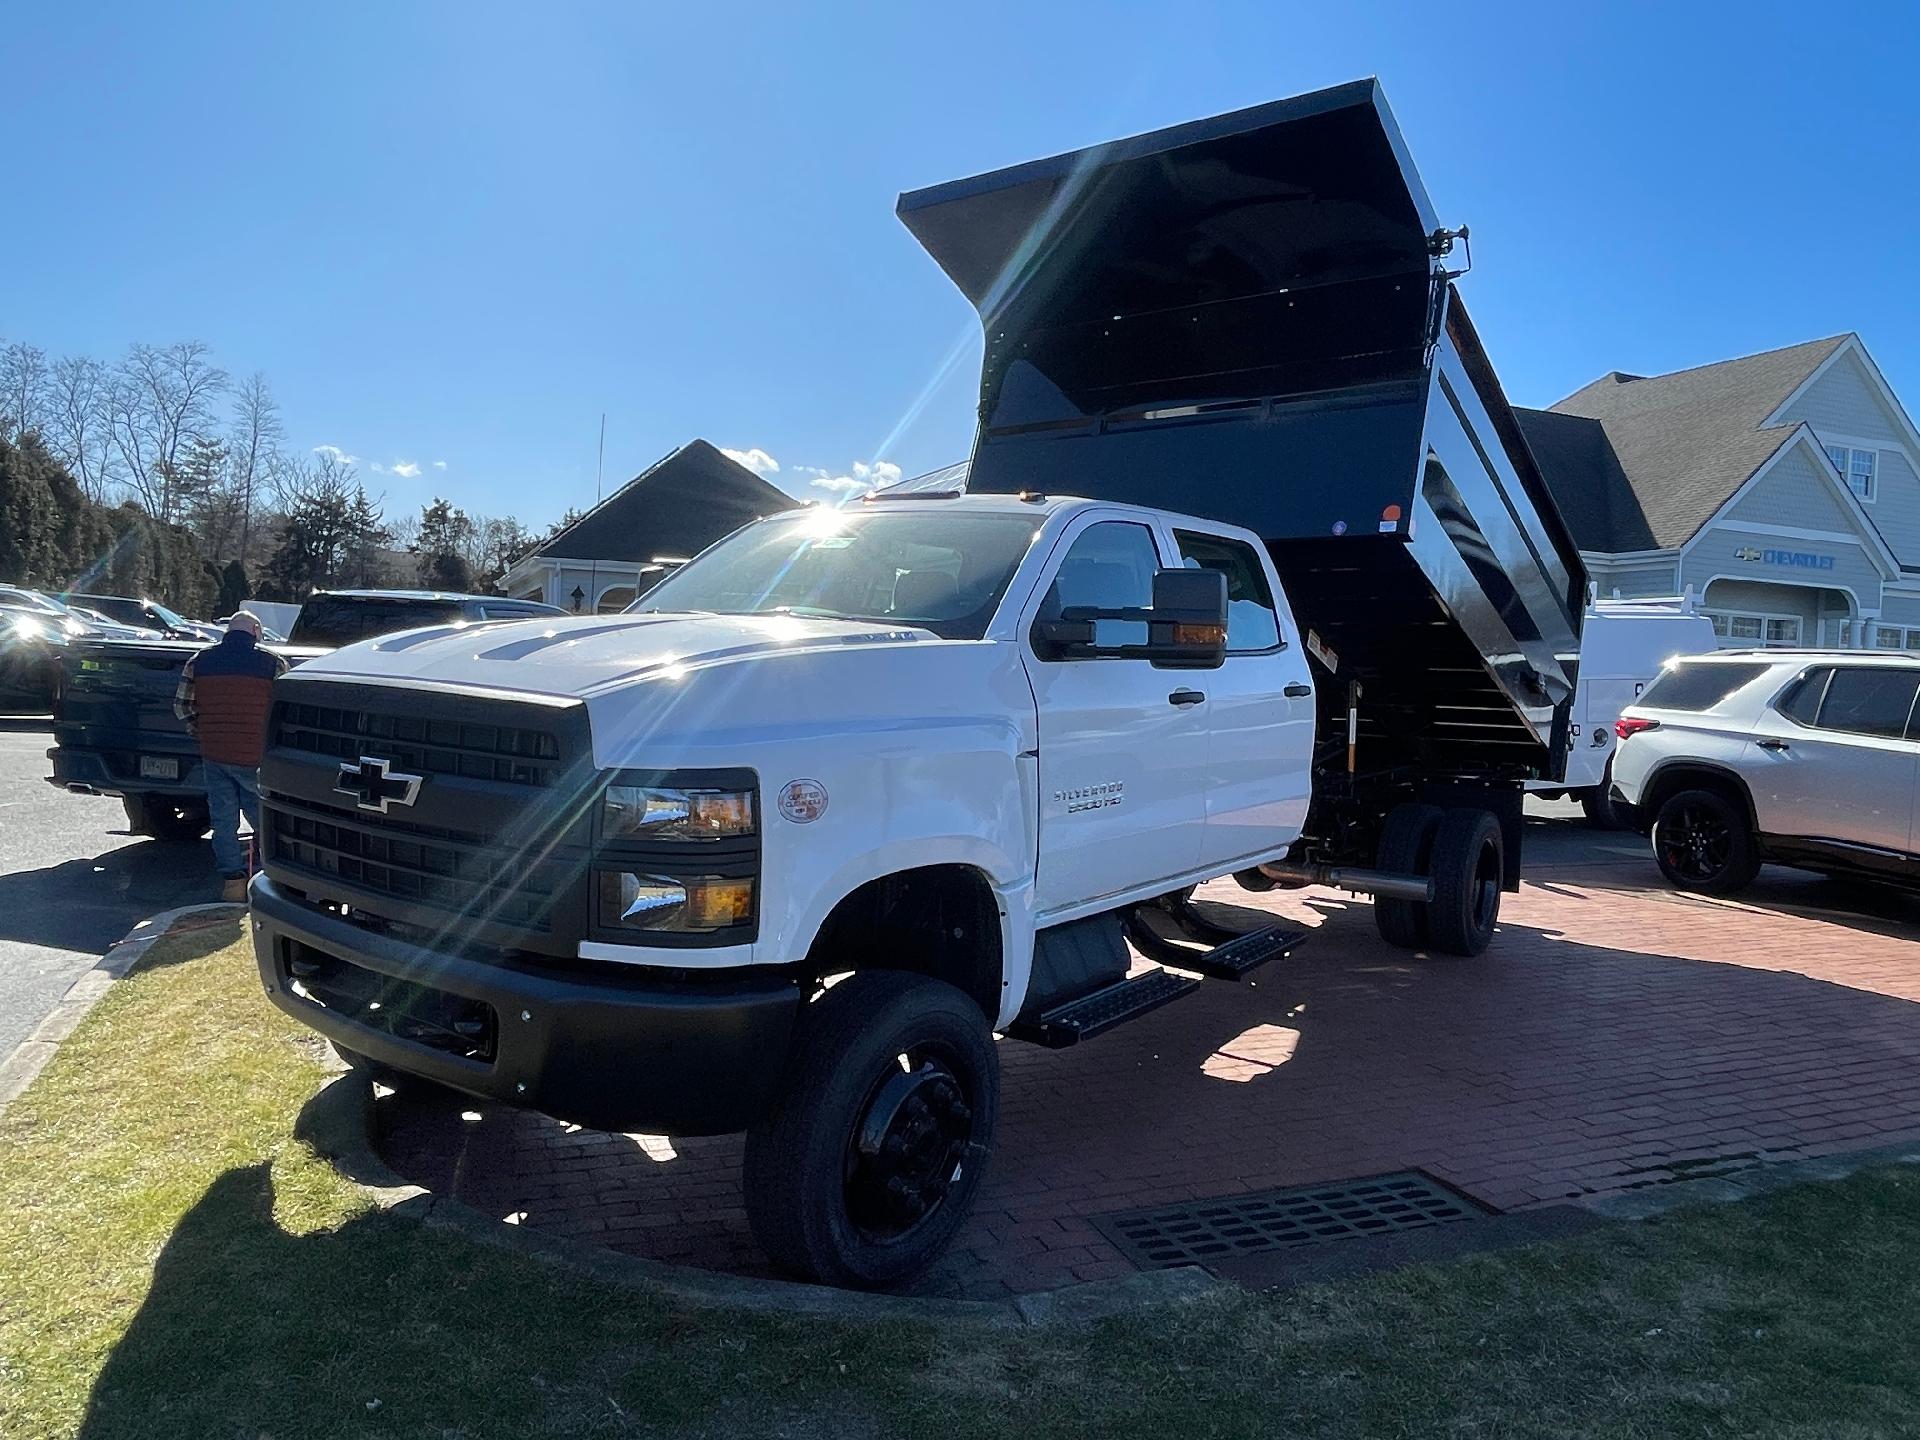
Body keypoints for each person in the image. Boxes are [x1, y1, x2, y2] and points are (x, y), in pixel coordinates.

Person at [173, 611, 286, 902]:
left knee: (223, 819)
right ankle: (267, 875)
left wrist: (201, 731)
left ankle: (232, 883)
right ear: (256, 630)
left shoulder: (199, 660)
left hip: (215, 752)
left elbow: (182, 706)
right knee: (261, 815)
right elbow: (284, 709)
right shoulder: (273, 663)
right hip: (255, 753)